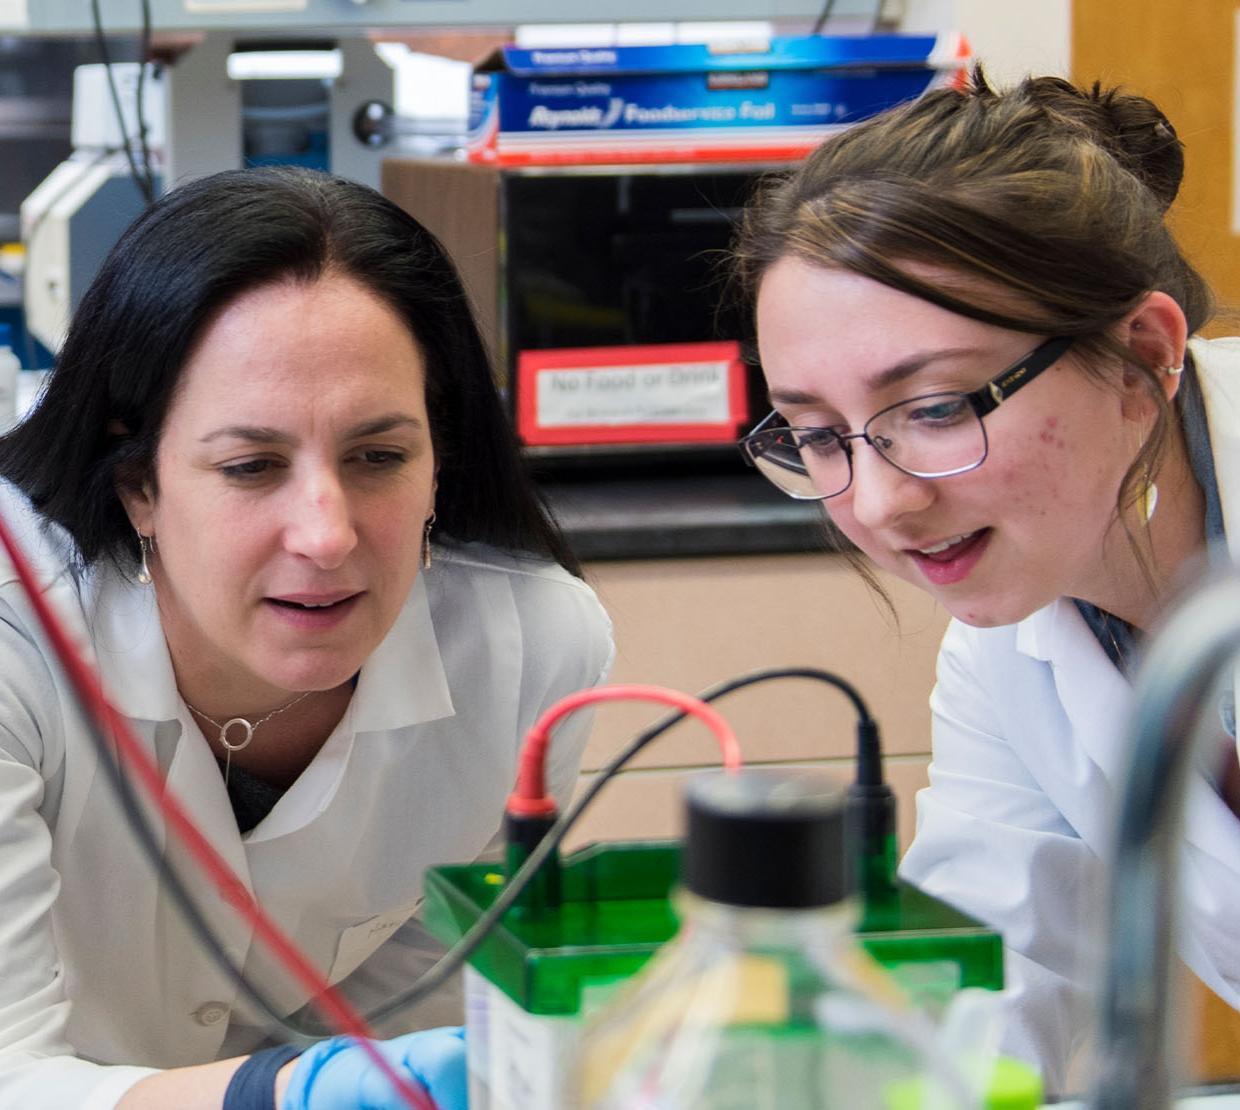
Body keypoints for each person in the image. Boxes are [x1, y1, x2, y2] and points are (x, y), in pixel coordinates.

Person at [0, 166, 614, 1108]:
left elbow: (406, 1027)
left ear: (439, 457)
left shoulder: (528, 650)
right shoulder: (18, 635)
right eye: (251, 466)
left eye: (379, 457)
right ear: (138, 484)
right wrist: (285, 1094)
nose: (327, 536)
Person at [732, 68, 1239, 1095]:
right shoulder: (1010, 649)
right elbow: (976, 990)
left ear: (1142, 355)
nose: (876, 506)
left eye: (935, 407)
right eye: (819, 436)